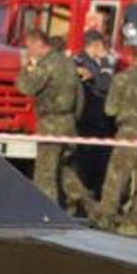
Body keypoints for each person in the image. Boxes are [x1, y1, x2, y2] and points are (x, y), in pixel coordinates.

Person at [15, 29, 92, 213]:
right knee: (64, 170)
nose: (29, 51)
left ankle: (46, 212)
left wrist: (26, 67)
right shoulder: (67, 63)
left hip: (51, 122)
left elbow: (26, 87)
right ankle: (91, 208)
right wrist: (73, 118)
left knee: (45, 173)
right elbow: (80, 96)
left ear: (38, 43)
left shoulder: (46, 65)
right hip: (68, 121)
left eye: (29, 46)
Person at [95, 46, 137, 231]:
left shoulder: (120, 79)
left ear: (132, 59)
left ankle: (107, 216)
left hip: (128, 130)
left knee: (117, 175)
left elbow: (110, 109)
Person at [73, 30, 117, 195]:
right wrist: (105, 61)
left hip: (102, 121)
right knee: (85, 163)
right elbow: (105, 83)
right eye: (102, 45)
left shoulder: (95, 63)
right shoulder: (79, 62)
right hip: (88, 120)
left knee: (101, 164)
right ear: (96, 45)